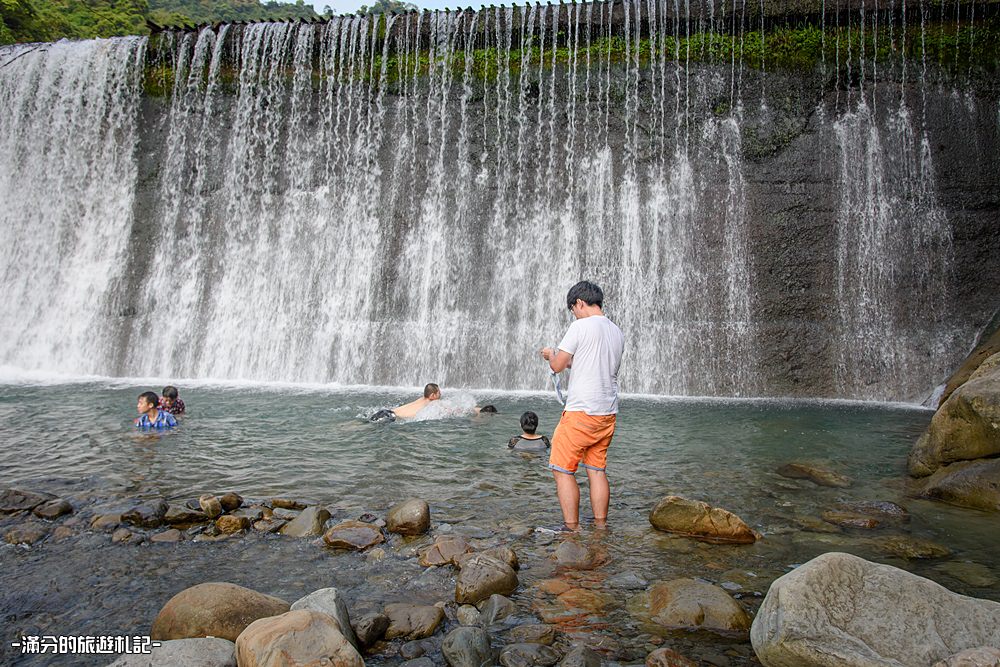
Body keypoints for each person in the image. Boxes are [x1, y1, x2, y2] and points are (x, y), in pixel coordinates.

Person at [540, 281, 624, 531]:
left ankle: (571, 529)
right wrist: (562, 360)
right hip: (607, 412)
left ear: (579, 303)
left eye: (573, 308)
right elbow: (585, 363)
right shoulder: (616, 331)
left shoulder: (579, 326)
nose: (574, 313)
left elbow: (557, 365)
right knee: (596, 470)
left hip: (581, 412)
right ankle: (600, 526)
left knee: (562, 469)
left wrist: (550, 355)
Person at [370, 383, 441, 422]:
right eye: (439, 393)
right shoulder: (433, 403)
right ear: (432, 395)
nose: (440, 394)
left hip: (386, 412)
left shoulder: (421, 399)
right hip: (391, 418)